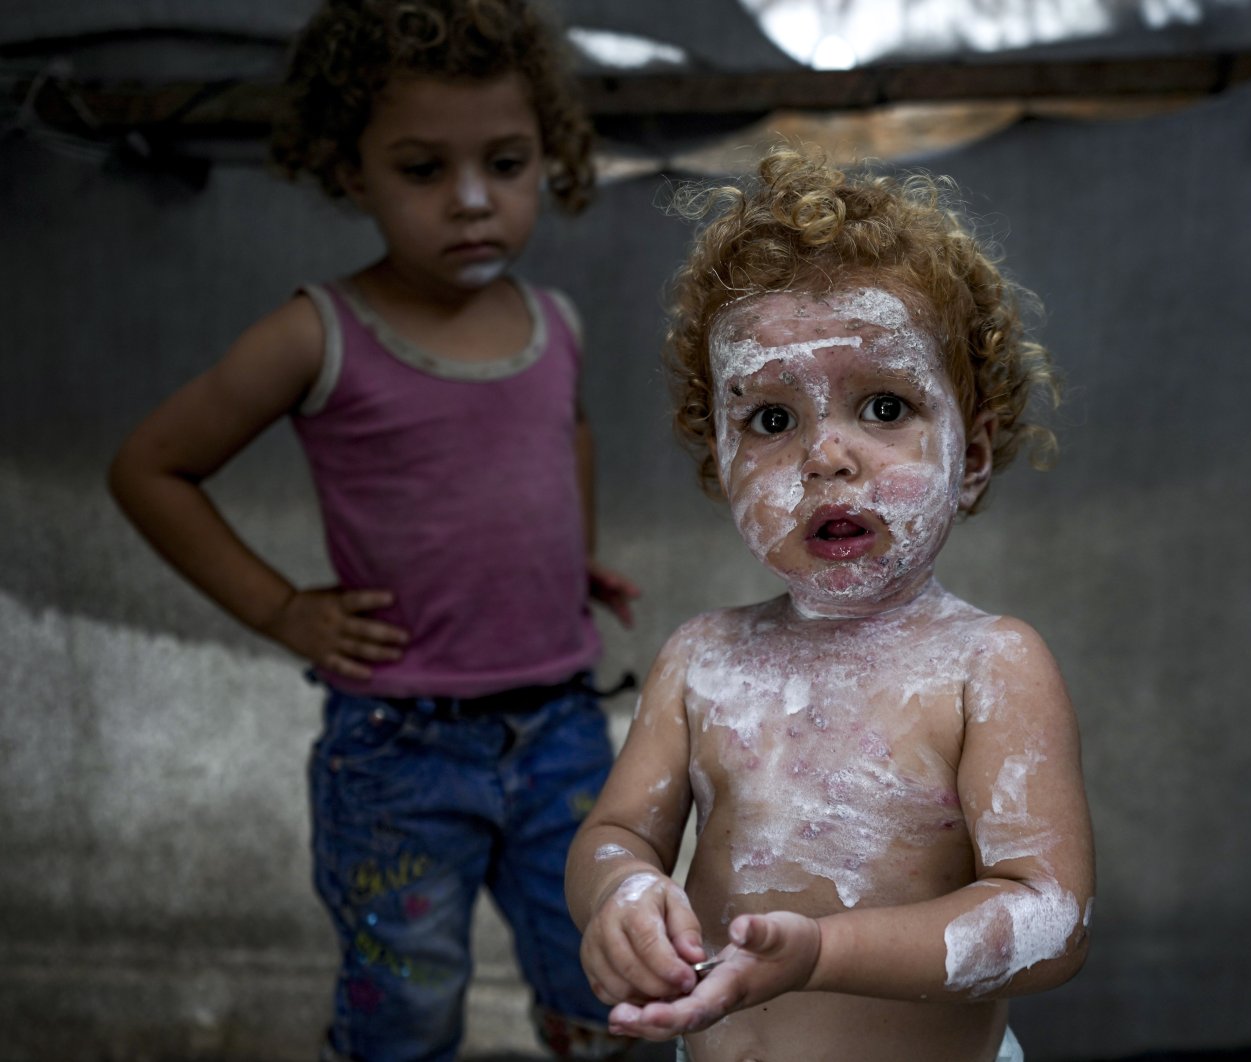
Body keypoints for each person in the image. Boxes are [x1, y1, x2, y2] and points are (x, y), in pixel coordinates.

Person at [107, 1, 639, 1058]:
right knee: (405, 1006)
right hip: (400, 753)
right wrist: (282, 608)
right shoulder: (318, 333)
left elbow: (563, 433)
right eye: (422, 169)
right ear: (351, 173)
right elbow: (149, 469)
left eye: (506, 161)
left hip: (562, 731)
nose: (474, 201)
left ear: (551, 157)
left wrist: (561, 553)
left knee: (607, 978)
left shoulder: (557, 325)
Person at [564, 146, 1095, 1062]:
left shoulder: (989, 667)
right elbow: (614, 833)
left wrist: (820, 952)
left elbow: (1049, 917)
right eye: (772, 420)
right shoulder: (701, 661)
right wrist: (619, 895)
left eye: (884, 407)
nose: (827, 457)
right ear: (719, 459)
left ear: (970, 458)